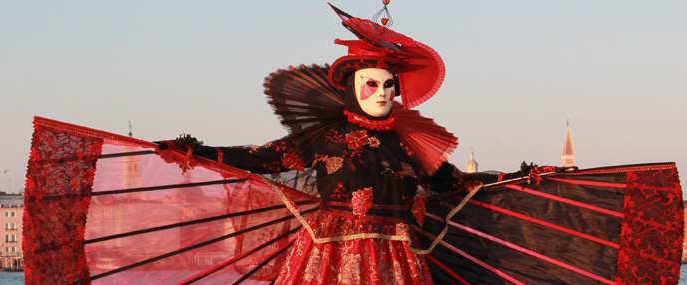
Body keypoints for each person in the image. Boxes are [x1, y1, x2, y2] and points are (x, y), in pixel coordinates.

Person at [151, 4, 554, 284]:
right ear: (352, 89)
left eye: (388, 85)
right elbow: (265, 158)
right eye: (371, 84)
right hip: (331, 258)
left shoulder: (409, 144)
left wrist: (518, 177)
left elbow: (458, 183)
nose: (381, 93)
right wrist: (198, 152)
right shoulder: (325, 137)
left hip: (397, 261)